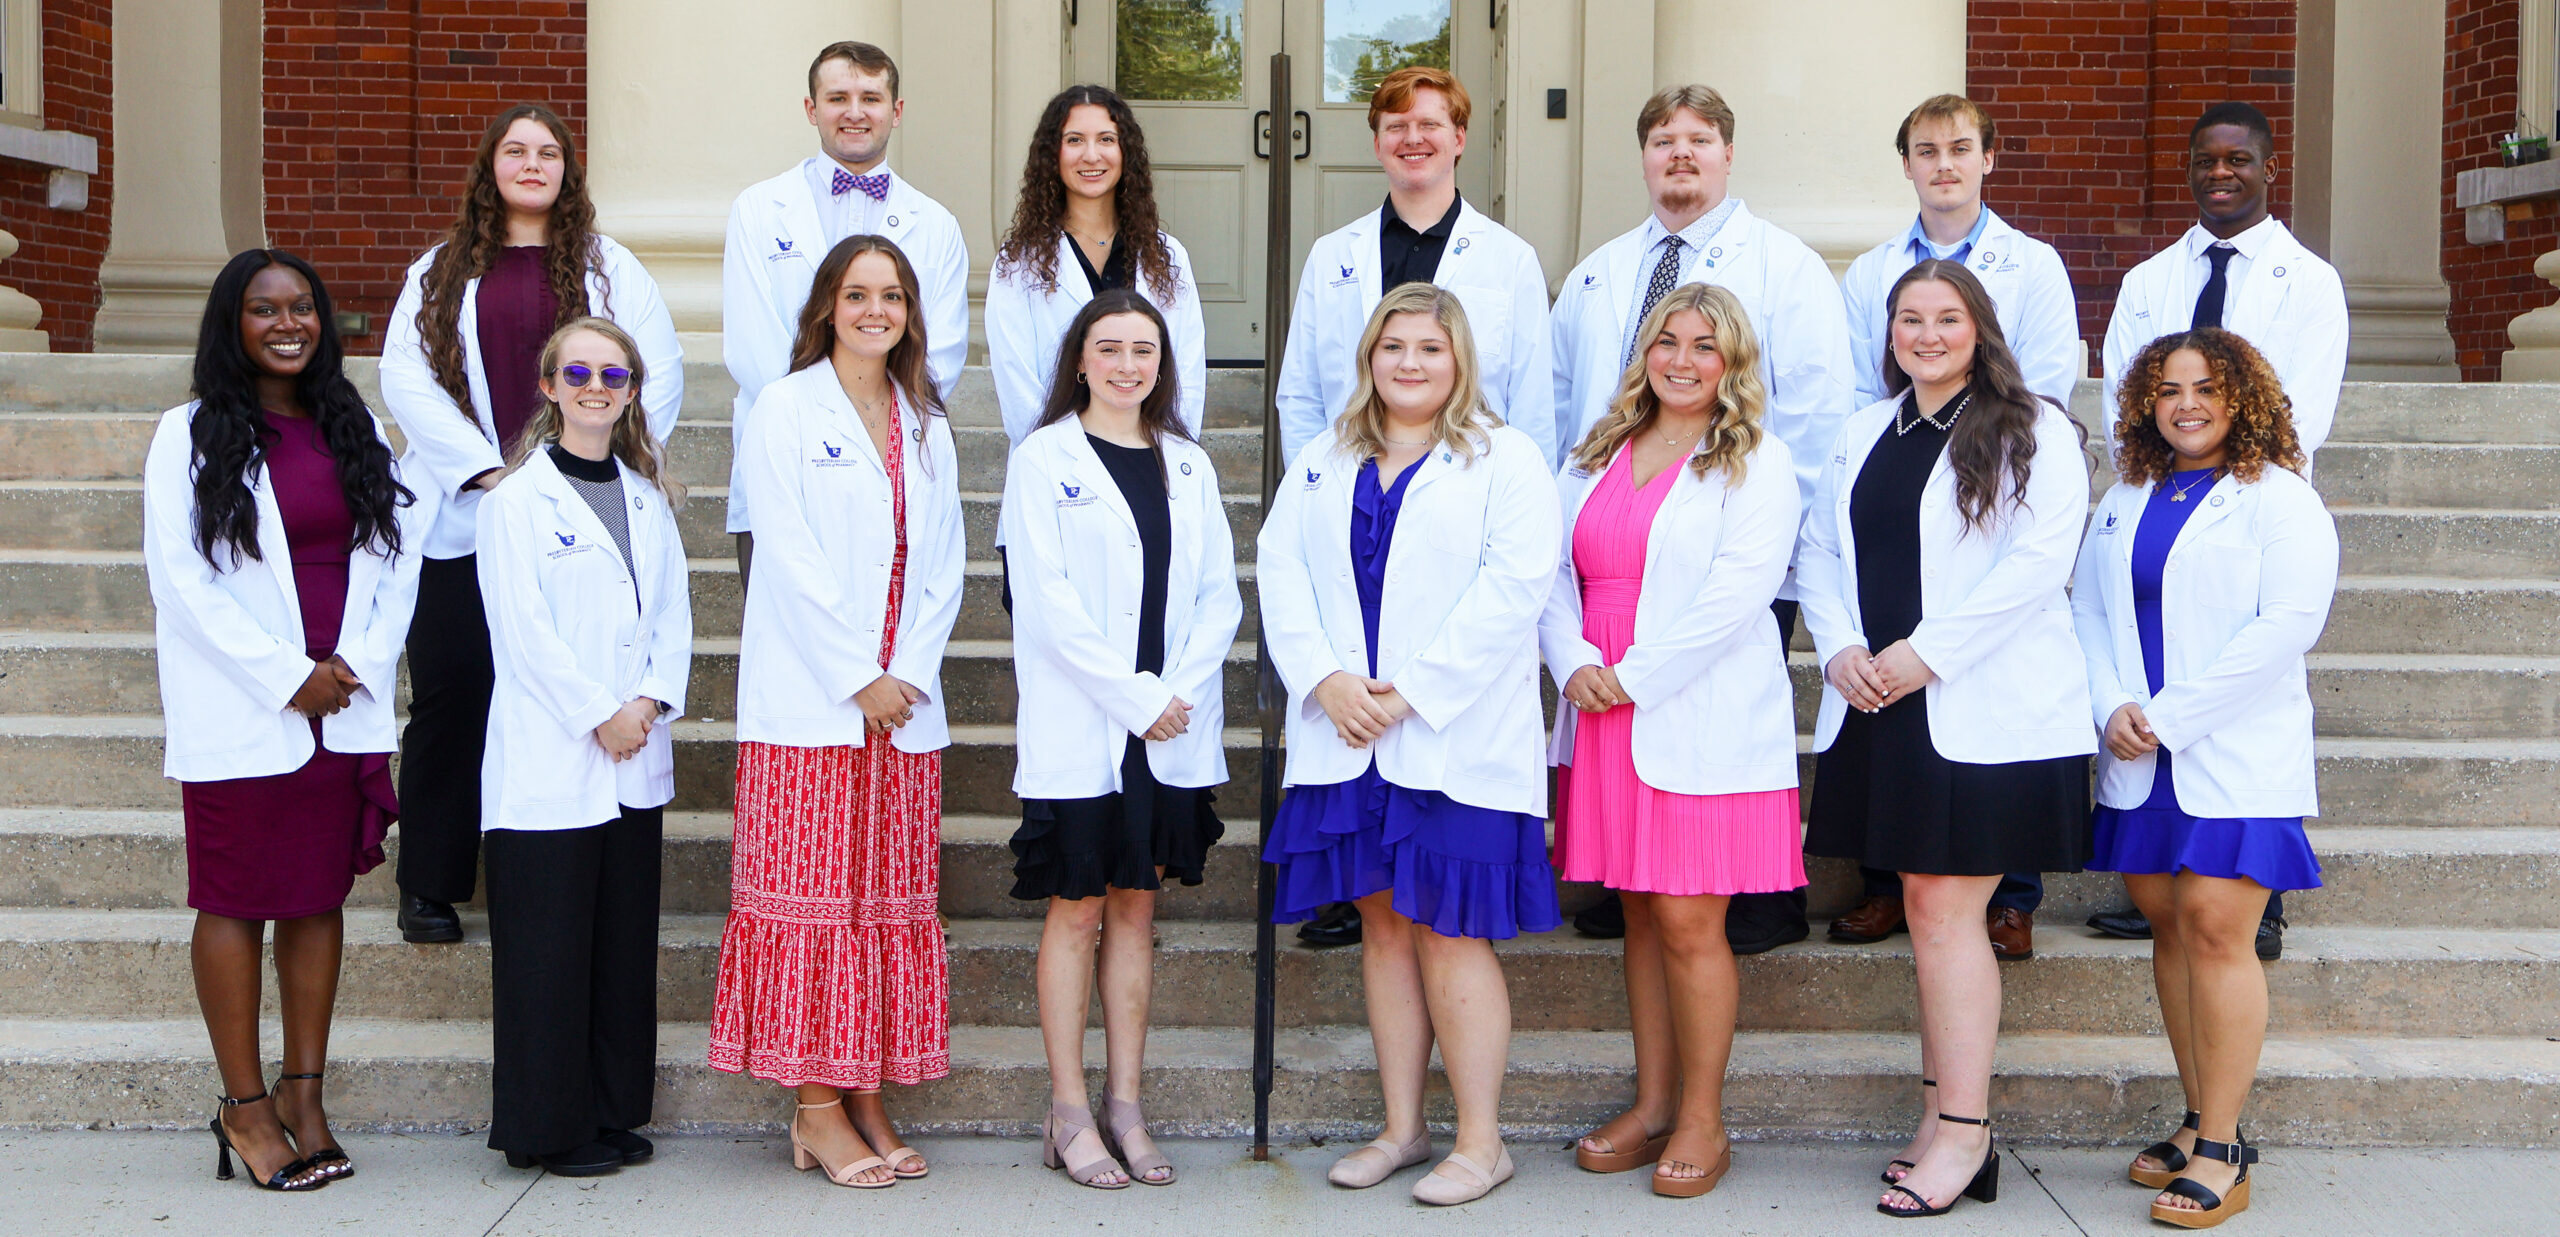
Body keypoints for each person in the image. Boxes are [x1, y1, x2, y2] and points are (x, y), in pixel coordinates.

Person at [1795, 261, 2094, 1218]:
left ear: (1980, 328)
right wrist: (1840, 645)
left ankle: (1966, 1131)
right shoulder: (1859, 432)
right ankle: (1941, 1118)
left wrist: (1925, 654)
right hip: (1879, 699)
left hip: (1978, 705)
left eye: (1946, 319)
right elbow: (1820, 549)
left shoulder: (2034, 426)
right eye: (1909, 319)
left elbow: (2040, 562)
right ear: (1889, 334)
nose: (1926, 335)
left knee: (1947, 914)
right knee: (1925, 910)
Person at [1259, 284, 1563, 1207]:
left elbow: (1515, 588)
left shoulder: (1505, 458)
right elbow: (1281, 569)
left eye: (1430, 348)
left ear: (1460, 359)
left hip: (1453, 737)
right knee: (1384, 930)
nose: (1410, 363)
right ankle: (1401, 1128)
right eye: (1394, 346)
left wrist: (1411, 695)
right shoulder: (1323, 454)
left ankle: (1483, 1141)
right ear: (1369, 357)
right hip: (1348, 732)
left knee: (1451, 932)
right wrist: (1324, 679)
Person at [1549, 84, 1853, 955]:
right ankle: (1624, 874)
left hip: (1732, 533)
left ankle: (1759, 899)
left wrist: (1756, 517)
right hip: (1613, 525)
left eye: (1700, 139)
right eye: (1663, 141)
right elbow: (1566, 401)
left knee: (1717, 719)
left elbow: (1818, 409)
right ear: (1643, 157)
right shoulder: (1600, 270)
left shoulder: (1786, 265)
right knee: (1627, 720)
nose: (1680, 154)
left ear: (1727, 154)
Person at [142, 249, 421, 1191]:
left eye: (302, 306)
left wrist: (353, 668)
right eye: (265, 309)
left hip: (341, 699)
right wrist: (285, 675)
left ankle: (306, 1095)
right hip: (248, 704)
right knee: (233, 900)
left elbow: (396, 559)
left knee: (314, 898)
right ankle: (245, 1108)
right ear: (234, 323)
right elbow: (183, 582)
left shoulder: (357, 431)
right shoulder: (187, 434)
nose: (288, 323)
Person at [378, 103, 683, 946]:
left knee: (567, 685)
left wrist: (602, 454)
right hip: (470, 515)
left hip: (582, 512)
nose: (533, 163)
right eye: (516, 150)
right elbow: (406, 377)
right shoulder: (439, 271)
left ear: (567, 170)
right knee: (453, 690)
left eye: (549, 151)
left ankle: (548, 863)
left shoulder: (609, 267)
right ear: (491, 167)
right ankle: (432, 878)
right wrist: (495, 474)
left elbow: (654, 366)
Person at [707, 235, 965, 1189]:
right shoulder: (784, 406)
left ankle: (865, 1092)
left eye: (891, 295)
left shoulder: (926, 418)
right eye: (857, 293)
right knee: (815, 906)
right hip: (812, 707)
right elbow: (787, 551)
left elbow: (944, 560)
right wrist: (859, 673)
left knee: (878, 905)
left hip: (901, 712)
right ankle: (816, 1107)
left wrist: (905, 673)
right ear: (826, 305)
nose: (875, 310)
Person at [1541, 284, 1801, 1198]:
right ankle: (1651, 1104)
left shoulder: (1756, 461)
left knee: (1691, 919)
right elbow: (1551, 572)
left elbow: (1740, 593)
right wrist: (1571, 658)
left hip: (1690, 702)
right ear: (1643, 351)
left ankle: (1703, 1116)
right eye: (1667, 342)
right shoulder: (1596, 451)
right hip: (1599, 701)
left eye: (1705, 346)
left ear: (1732, 363)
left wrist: (1634, 678)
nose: (1683, 361)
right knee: (1640, 915)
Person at [2073, 328, 2334, 1229]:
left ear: (2244, 397)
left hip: (2229, 753)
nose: (2186, 403)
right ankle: (2194, 1117)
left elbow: (2285, 626)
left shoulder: (2282, 500)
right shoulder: (2128, 494)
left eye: (2207, 387)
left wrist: (2172, 716)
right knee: (2170, 925)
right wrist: (2110, 703)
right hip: (2140, 755)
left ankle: (2225, 1149)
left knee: (2221, 931)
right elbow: (2089, 606)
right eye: (2168, 388)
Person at [1832, 93, 2082, 959]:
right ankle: (1886, 882)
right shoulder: (1869, 273)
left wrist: (1983, 452)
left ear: (1988, 159)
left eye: (1960, 148)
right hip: (1901, 464)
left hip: (1993, 474)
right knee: (1890, 706)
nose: (1943, 163)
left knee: (1977, 718)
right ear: (1906, 163)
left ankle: (2009, 895)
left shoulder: (2035, 264)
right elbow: (1863, 385)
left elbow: (2045, 381)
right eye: (1926, 150)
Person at [1003, 291, 1242, 1189]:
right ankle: (1069, 1110)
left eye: (1144, 348)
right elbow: (1049, 602)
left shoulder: (1188, 462)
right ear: (1079, 360)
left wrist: (1171, 694)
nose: (1128, 364)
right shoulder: (1042, 460)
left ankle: (1125, 1106)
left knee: (1137, 904)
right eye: (1110, 348)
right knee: (1077, 907)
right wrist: (1134, 696)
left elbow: (1220, 591)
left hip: (1167, 726)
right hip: (1091, 719)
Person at [2093, 99, 2343, 954]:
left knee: (2236, 681)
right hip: (2161, 494)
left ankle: (2252, 894)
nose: (2221, 173)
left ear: (2269, 168)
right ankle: (2164, 860)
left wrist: (2239, 468)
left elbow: (2299, 407)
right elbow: (2122, 391)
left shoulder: (2308, 281)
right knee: (2155, 651)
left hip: (2250, 502)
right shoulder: (2148, 281)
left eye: (2237, 159)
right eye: (2206, 160)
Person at [476, 318, 693, 1178]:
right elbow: (521, 634)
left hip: (632, 757)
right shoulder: (513, 502)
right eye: (578, 370)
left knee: (616, 947)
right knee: (547, 954)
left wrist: (646, 702)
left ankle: (607, 1109)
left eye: (613, 372)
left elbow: (672, 616)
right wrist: (600, 711)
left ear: (633, 388)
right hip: (553, 757)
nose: (595, 384)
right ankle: (546, 1127)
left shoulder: (647, 498)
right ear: (549, 383)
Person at [724, 40, 970, 585]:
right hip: (783, 456)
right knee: (789, 638)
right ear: (811, 109)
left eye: (871, 98)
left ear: (896, 112)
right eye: (837, 97)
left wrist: (865, 428)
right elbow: (752, 343)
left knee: (892, 632)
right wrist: (821, 426)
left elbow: (942, 351)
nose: (854, 112)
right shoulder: (758, 211)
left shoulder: (935, 224)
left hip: (894, 454)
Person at [1274, 66, 1555, 466]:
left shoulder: (1511, 259)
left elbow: (1534, 404)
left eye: (1428, 124)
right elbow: (1301, 392)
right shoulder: (1331, 256)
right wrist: (1313, 488)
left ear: (1458, 139)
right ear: (1377, 144)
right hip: (1353, 480)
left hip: (1470, 484)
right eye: (1396, 126)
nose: (1412, 138)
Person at [987, 85, 1207, 444]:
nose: (1091, 155)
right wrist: (1062, 462)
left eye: (1106, 139)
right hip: (1055, 470)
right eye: (1074, 140)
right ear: (1052, 154)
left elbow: (1187, 373)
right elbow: (1017, 383)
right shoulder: (1018, 263)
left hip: (1150, 456)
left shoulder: (1167, 258)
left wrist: (1169, 450)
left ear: (1125, 152)